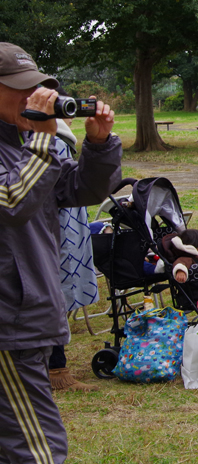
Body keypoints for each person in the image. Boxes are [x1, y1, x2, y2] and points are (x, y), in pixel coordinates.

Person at [0, 43, 121, 464]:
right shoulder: (31, 146)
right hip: (8, 323)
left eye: (36, 88)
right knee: (38, 450)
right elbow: (11, 200)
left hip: (24, 315)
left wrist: (100, 145)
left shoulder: (23, 145)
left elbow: (81, 190)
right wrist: (40, 143)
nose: (30, 97)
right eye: (19, 89)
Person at [49, 115, 100, 392]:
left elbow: (86, 183)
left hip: (68, 221)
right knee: (53, 289)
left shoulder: (57, 137)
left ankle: (55, 364)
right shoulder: (45, 138)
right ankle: (56, 367)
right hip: (54, 225)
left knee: (58, 290)